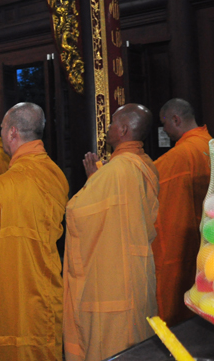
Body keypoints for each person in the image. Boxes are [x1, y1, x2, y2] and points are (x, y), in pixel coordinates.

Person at [0, 103, 68, 360]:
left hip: (13, 288)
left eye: (2, 129)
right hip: (46, 284)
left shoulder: (2, 187)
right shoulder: (56, 174)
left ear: (12, 133)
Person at [63, 104, 159, 361]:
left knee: (113, 343)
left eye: (113, 122)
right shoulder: (146, 165)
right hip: (139, 270)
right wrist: (98, 178)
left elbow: (77, 212)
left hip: (113, 276)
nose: (108, 128)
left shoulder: (116, 170)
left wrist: (93, 180)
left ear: (124, 129)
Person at [153, 98, 212, 325]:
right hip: (208, 241)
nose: (164, 129)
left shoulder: (180, 155)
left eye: (164, 123)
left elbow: (143, 181)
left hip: (183, 241)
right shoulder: (210, 144)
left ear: (176, 119)